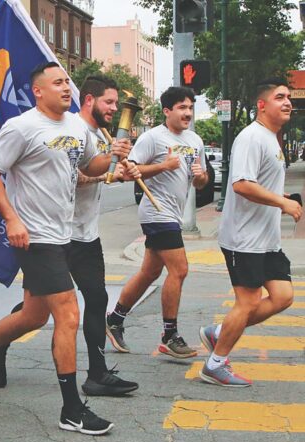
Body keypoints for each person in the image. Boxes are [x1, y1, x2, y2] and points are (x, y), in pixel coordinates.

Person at [0, 62, 137, 435]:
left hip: (63, 234)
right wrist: (11, 218)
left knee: (35, 315)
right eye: (58, 83)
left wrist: (114, 154)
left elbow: (90, 164)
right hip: (35, 236)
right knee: (68, 315)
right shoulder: (22, 127)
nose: (66, 88)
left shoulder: (74, 125)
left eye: (67, 82)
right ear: (38, 91)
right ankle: (71, 409)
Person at [199, 78, 300, 387]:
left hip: (266, 240)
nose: (287, 103)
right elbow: (241, 184)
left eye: (289, 98)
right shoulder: (251, 137)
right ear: (262, 104)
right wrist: (283, 202)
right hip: (244, 238)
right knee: (248, 302)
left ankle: (219, 332)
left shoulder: (272, 138)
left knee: (283, 296)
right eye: (280, 97)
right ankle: (215, 364)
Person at [106, 86, 208, 359]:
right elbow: (128, 172)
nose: (187, 113)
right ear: (167, 111)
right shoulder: (153, 138)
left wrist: (199, 176)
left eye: (190, 108)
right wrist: (163, 166)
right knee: (180, 270)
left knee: (150, 272)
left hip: (172, 214)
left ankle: (115, 319)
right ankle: (169, 334)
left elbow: (201, 181)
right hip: (156, 212)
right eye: (182, 108)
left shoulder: (195, 140)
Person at [69, 76, 139, 396]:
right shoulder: (74, 130)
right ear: (88, 100)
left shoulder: (101, 133)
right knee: (36, 310)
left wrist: (125, 170)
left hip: (87, 234)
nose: (114, 108)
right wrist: (106, 172)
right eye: (109, 102)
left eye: (115, 103)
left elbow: (102, 170)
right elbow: (71, 176)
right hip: (60, 234)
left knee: (97, 299)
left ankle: (97, 374)